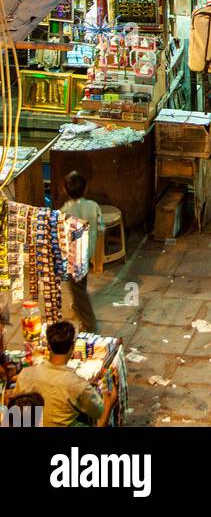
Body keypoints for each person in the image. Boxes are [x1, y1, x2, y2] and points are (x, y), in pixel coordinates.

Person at [9, 321, 116, 428]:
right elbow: (98, 412)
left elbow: (17, 413)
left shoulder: (25, 375)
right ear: (73, 347)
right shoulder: (78, 385)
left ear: (49, 347)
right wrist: (109, 403)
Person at [58, 170, 102, 332]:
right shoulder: (93, 206)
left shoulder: (63, 212)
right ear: (86, 189)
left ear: (64, 189)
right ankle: (77, 308)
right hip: (87, 253)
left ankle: (90, 325)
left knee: (78, 291)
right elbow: (101, 227)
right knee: (81, 283)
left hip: (72, 258)